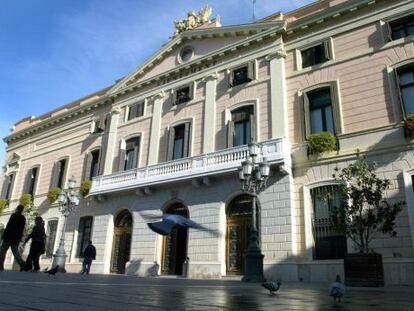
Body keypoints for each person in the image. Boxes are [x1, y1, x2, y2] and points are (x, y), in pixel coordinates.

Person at [0, 205, 26, 271]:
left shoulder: (13, 216)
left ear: (17, 209)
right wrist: (19, 238)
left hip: (8, 236)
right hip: (16, 238)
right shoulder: (23, 218)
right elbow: (21, 229)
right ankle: (22, 264)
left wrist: (4, 235)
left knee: (2, 251)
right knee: (15, 252)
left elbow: (9, 226)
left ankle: (0, 266)